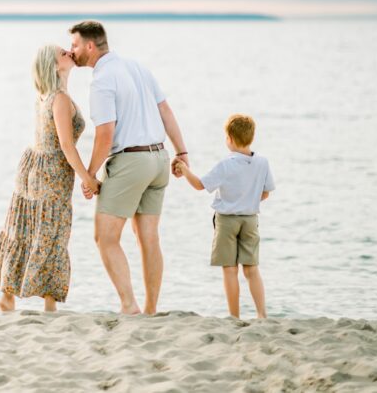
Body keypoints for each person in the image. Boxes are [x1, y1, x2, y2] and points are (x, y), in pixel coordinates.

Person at [68, 20, 188, 315]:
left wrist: (91, 174)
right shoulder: (137, 67)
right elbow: (166, 112)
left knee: (105, 237)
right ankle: (150, 310)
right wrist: (181, 151)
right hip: (159, 158)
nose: (72, 51)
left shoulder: (102, 80)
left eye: (74, 45)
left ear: (90, 46)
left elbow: (106, 133)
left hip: (132, 162)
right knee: (148, 238)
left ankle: (129, 305)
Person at [0, 44, 93, 312]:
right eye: (62, 53)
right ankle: (50, 304)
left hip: (33, 163)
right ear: (54, 66)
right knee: (52, 232)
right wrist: (87, 178)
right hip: (51, 170)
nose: (68, 53)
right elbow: (66, 145)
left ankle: (7, 296)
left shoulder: (44, 95)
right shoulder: (61, 100)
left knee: (24, 228)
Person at [174, 114, 275, 318]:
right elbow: (265, 192)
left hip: (227, 220)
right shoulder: (262, 163)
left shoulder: (226, 164)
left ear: (229, 138)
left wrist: (184, 170)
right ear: (251, 137)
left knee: (230, 270)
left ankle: (234, 316)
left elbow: (200, 185)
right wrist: (249, 200)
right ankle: (262, 315)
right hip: (250, 220)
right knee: (251, 269)